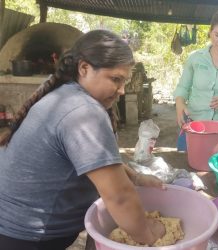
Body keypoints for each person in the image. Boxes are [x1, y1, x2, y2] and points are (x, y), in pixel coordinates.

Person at [0, 30, 165, 250]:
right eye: (116, 79)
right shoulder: (83, 113)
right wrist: (151, 234)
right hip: (26, 238)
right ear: (84, 68)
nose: (122, 91)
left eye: (124, 81)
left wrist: (135, 177)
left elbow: (98, 160)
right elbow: (120, 198)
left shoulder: (65, 94)